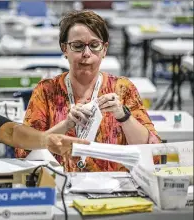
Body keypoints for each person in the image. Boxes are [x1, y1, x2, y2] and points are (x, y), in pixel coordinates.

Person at [15, 10, 161, 172]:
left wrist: (123, 116)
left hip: (115, 188)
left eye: (94, 45)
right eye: (77, 46)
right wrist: (66, 124)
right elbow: (24, 152)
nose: (86, 54)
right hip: (59, 184)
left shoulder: (122, 89)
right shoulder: (46, 91)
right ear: (65, 49)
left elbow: (153, 153)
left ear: (104, 49)